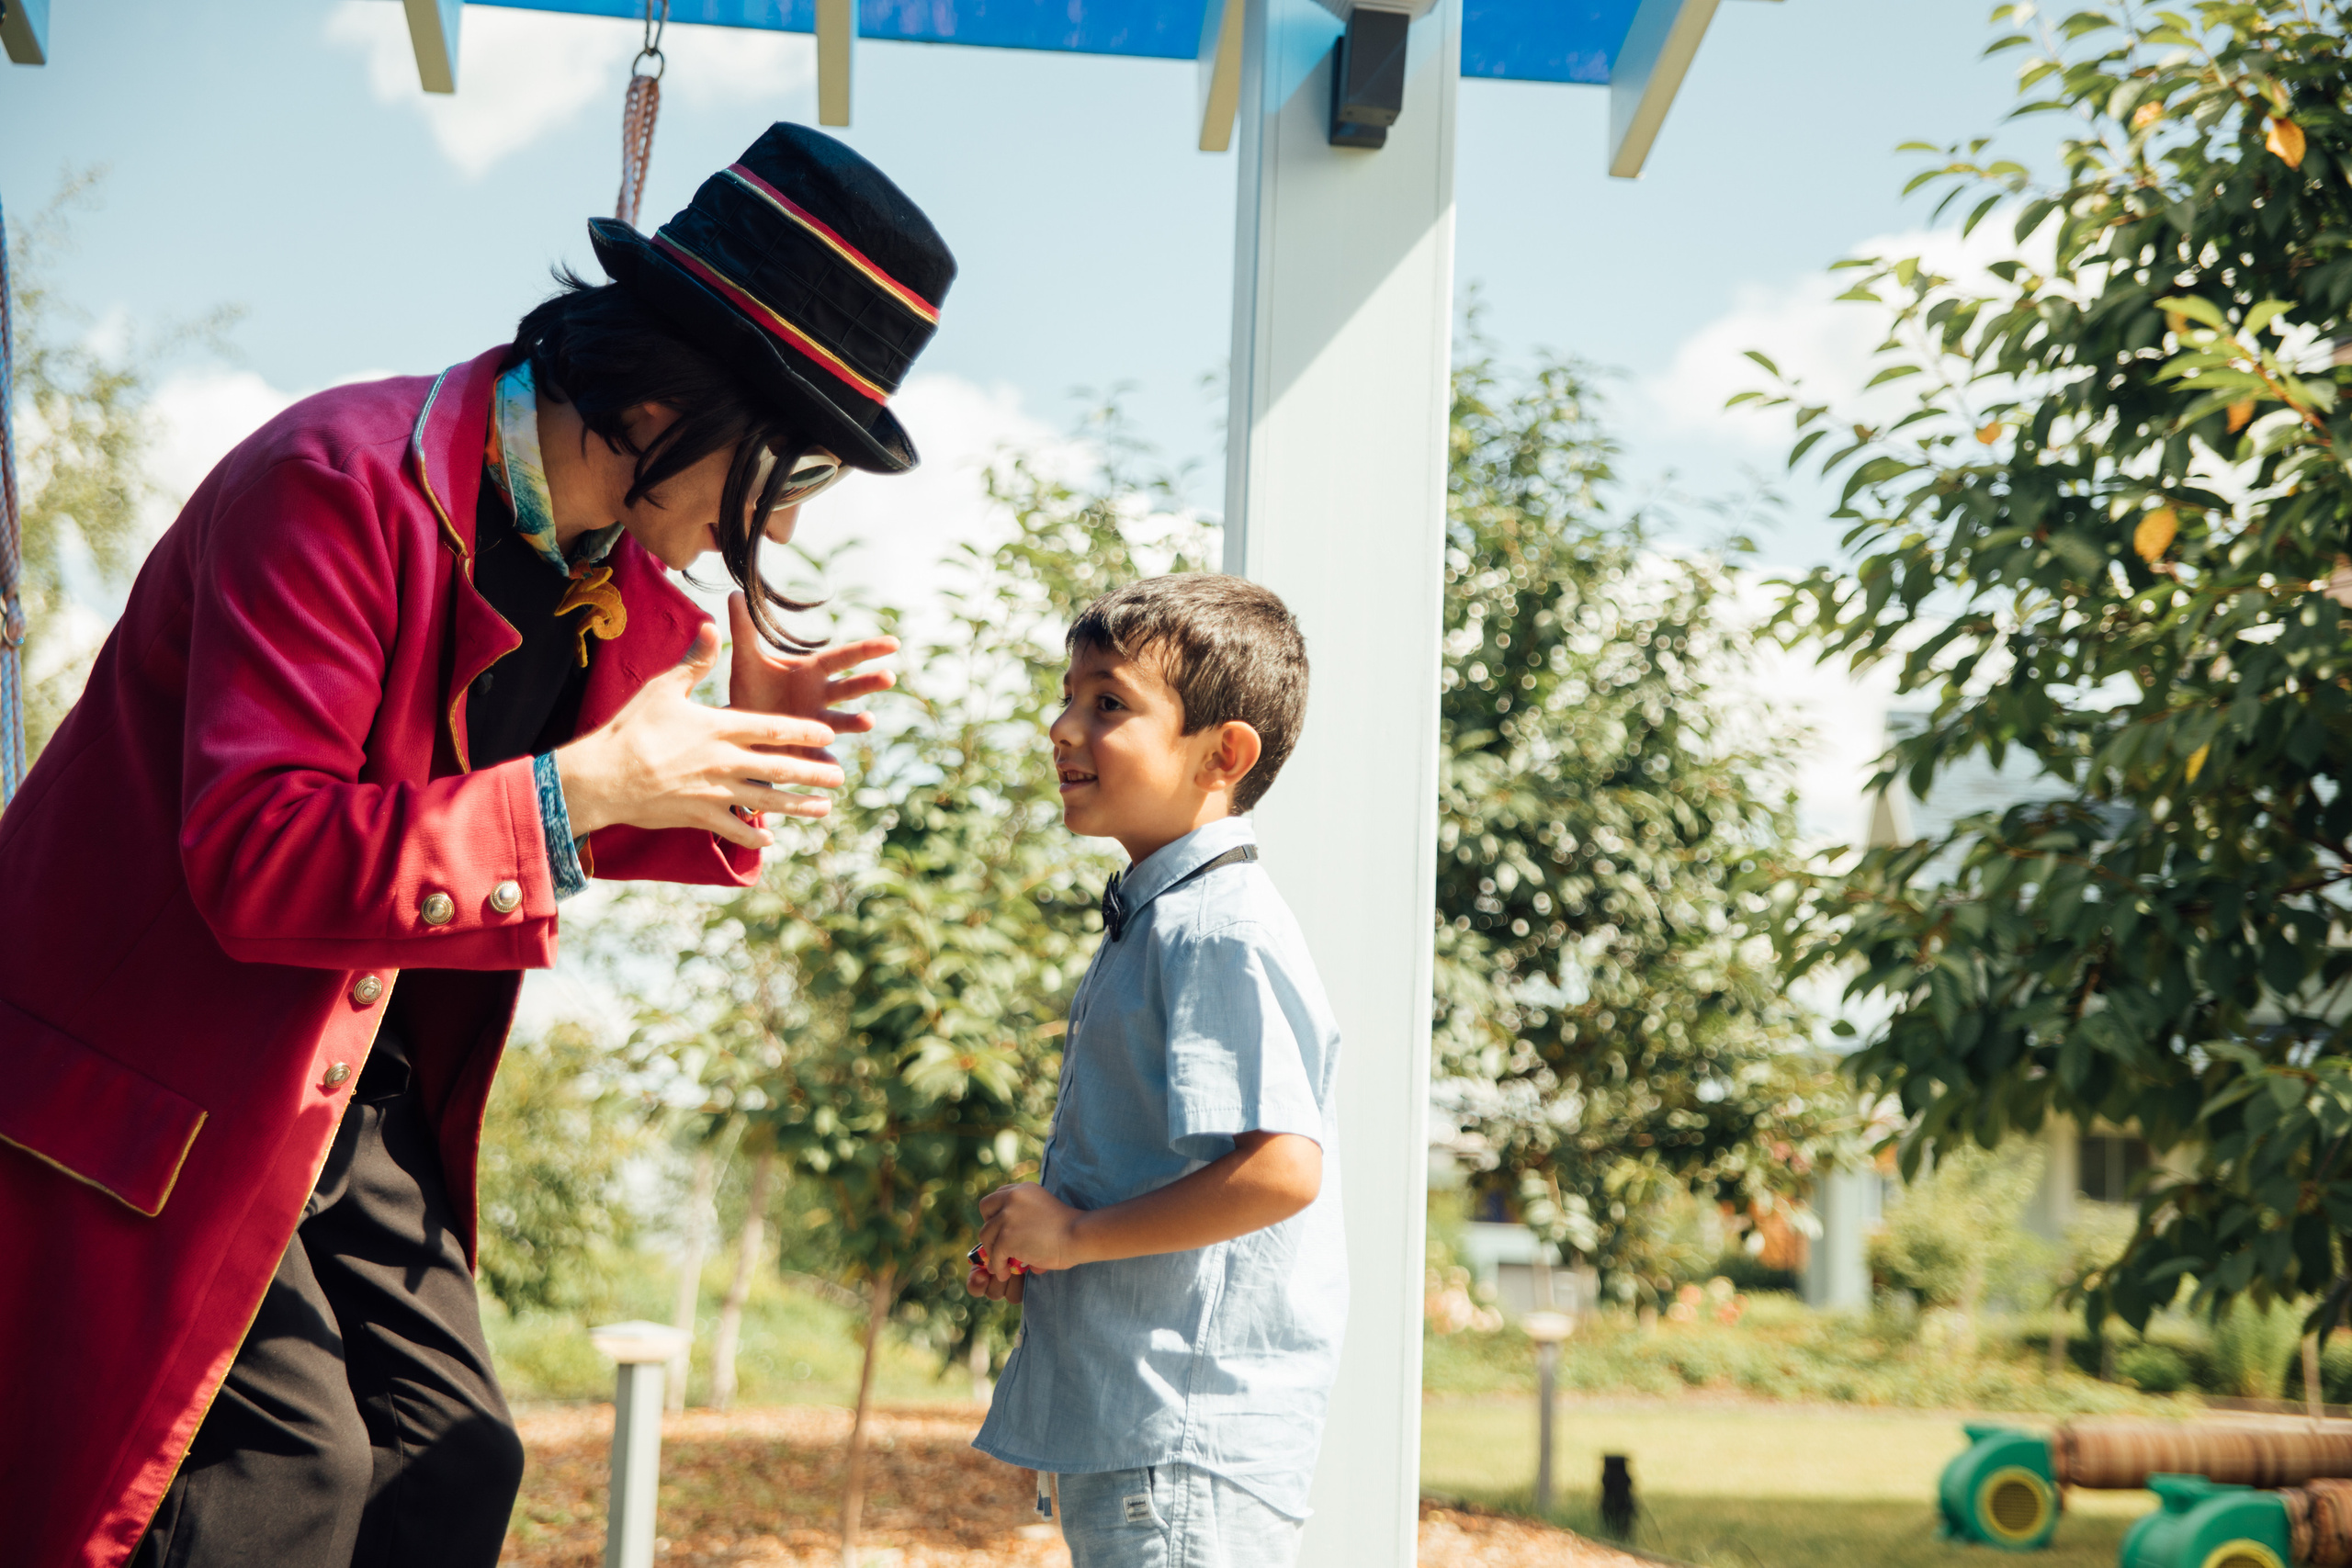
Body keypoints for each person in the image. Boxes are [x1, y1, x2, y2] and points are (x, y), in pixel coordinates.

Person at [0, 124, 954, 1568]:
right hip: (165, 1072)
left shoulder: (609, 572)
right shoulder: (334, 481)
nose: (786, 518)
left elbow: (573, 809)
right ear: (663, 398)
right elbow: (261, 856)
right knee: (287, 1466)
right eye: (796, 463)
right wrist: (583, 784)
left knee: (456, 1452)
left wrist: (731, 758)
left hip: (338, 1078)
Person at [967, 573, 1346, 1568]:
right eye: (1066, 696)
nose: (1061, 727)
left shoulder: (1217, 926)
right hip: (1142, 1437)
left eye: (1108, 704)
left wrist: (1082, 1233)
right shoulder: (1163, 916)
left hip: (1178, 1449)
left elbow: (1280, 1170)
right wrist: (1052, 1238)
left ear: (1223, 754)